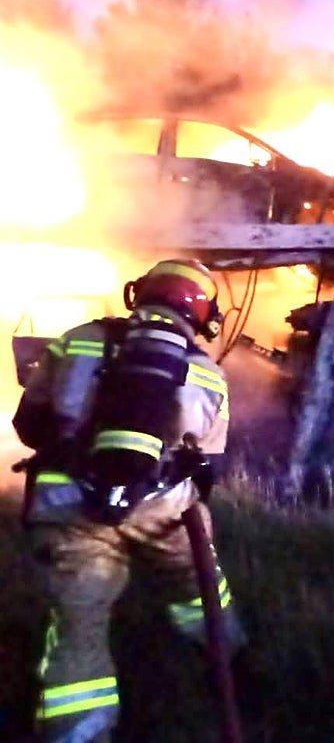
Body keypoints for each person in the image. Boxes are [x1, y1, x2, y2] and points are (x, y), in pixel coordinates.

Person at [12, 258, 245, 742]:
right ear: (204, 314)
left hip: (69, 506)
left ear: (138, 294)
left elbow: (28, 424)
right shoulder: (207, 374)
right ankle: (232, 666)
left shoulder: (77, 339)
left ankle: (80, 731)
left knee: (79, 621)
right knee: (198, 590)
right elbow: (208, 466)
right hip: (165, 510)